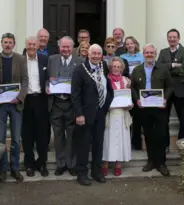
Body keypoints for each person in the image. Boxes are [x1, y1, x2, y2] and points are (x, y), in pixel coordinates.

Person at [0, 33, 29, 183]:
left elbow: (25, 81)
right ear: (1, 43)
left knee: (16, 138)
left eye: (10, 42)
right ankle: (2, 169)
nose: (8, 45)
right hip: (0, 106)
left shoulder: (21, 59)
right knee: (0, 139)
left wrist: (20, 97)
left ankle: (15, 168)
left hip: (16, 104)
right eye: (5, 42)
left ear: (14, 44)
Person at [71, 44, 114, 185]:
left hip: (100, 113)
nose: (96, 56)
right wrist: (79, 114)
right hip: (85, 115)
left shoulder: (103, 66)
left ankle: (97, 172)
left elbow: (108, 87)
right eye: (93, 53)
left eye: (98, 53)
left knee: (98, 143)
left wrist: (105, 106)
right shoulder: (79, 70)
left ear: (101, 55)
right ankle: (82, 173)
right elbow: (75, 95)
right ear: (88, 54)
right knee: (83, 145)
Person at [131, 44, 173, 176]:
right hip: (144, 108)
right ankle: (151, 161)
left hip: (159, 108)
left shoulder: (163, 69)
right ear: (143, 54)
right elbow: (132, 88)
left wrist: (165, 99)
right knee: (148, 135)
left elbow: (169, 87)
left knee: (160, 135)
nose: (149, 54)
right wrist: (137, 99)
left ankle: (161, 163)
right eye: (147, 52)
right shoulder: (137, 70)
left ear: (155, 54)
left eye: (152, 52)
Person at [47, 36, 83, 176]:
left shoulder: (79, 61)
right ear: (59, 47)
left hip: (72, 104)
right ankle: (60, 164)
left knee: (72, 135)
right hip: (56, 104)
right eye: (63, 46)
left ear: (72, 48)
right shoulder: (52, 60)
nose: (65, 49)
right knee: (58, 135)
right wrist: (47, 87)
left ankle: (71, 164)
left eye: (68, 47)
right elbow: (46, 79)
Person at [21, 36, 49, 177]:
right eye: (29, 44)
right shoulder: (20, 60)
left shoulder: (45, 60)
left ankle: (42, 163)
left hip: (41, 100)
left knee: (42, 135)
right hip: (25, 101)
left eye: (34, 44)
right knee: (27, 135)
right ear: (26, 45)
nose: (31, 46)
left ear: (38, 46)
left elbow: (49, 78)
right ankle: (29, 164)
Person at [101, 57, 133, 177]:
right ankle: (105, 163)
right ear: (110, 67)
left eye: (118, 66)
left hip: (122, 115)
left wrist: (129, 105)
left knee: (120, 139)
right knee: (107, 139)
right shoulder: (105, 80)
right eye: (114, 66)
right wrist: (105, 106)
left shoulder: (126, 81)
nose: (116, 68)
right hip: (109, 115)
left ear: (122, 68)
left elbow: (128, 98)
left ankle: (118, 164)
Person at [157, 29, 184, 142]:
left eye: (174, 37)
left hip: (181, 89)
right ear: (167, 39)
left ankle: (183, 143)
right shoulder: (163, 52)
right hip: (166, 89)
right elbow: (159, 68)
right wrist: (173, 65)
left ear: (178, 38)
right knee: (163, 119)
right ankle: (165, 145)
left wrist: (169, 69)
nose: (172, 39)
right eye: (170, 37)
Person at [120, 36, 145, 150]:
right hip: (126, 88)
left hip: (139, 88)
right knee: (126, 116)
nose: (130, 45)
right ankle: (126, 142)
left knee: (138, 117)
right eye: (128, 44)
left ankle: (136, 142)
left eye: (132, 43)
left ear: (136, 44)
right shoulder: (122, 57)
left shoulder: (142, 56)